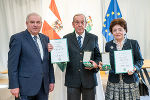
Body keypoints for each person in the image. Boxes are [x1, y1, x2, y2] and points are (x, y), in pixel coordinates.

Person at [8, 12, 55, 100]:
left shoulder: (45, 38)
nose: (35, 25)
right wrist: (14, 85)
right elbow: (12, 65)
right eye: (32, 22)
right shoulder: (18, 38)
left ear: (41, 24)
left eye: (38, 22)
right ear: (26, 23)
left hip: (43, 86)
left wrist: (51, 81)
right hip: (25, 87)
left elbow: (48, 62)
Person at [98, 18, 144, 100]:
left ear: (125, 30)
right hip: (113, 82)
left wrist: (135, 68)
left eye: (120, 29)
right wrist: (103, 66)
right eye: (114, 30)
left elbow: (140, 60)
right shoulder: (108, 45)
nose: (117, 32)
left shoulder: (133, 43)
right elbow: (107, 62)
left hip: (130, 81)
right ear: (112, 32)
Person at [63, 14, 101, 100]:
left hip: (89, 80)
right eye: (77, 22)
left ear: (86, 24)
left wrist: (96, 63)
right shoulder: (66, 38)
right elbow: (62, 56)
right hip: (72, 80)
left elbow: (98, 56)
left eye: (82, 22)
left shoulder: (93, 38)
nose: (80, 25)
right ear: (73, 24)